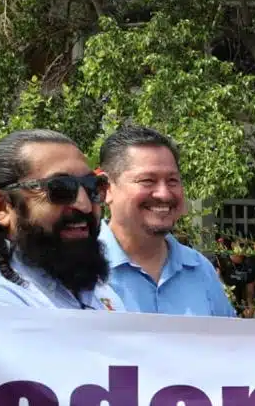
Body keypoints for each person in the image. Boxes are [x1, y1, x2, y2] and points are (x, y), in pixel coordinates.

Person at [0, 129, 124, 310]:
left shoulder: (100, 294)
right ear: (1, 207)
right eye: (60, 189)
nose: (84, 205)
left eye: (93, 186)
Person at [97, 125, 234, 317]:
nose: (164, 194)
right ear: (106, 189)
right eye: (147, 180)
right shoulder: (75, 269)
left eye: (172, 181)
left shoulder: (200, 270)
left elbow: (229, 344)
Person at [215, 237, 255, 317]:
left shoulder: (249, 265)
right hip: (223, 306)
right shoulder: (223, 260)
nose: (244, 248)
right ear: (232, 245)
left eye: (247, 245)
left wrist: (250, 307)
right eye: (241, 245)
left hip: (241, 309)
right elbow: (217, 281)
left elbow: (250, 291)